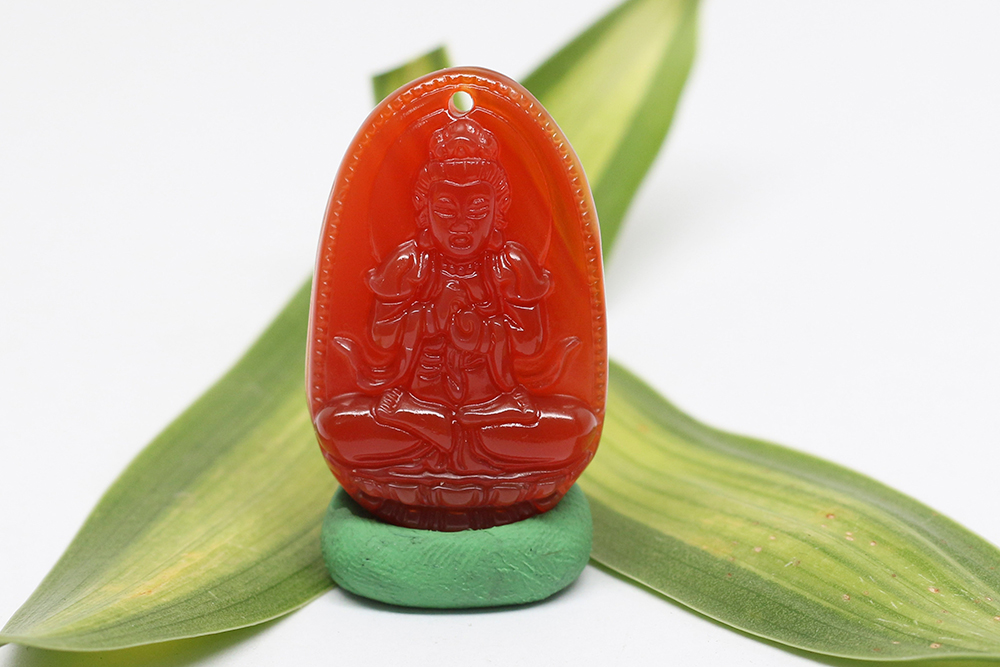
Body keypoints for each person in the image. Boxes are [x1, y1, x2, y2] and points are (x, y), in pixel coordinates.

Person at [315, 117, 597, 487]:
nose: (461, 224)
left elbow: (531, 344)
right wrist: (429, 319)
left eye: (477, 210)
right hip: (416, 404)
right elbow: (381, 339)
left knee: (578, 425)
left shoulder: (510, 264)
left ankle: (450, 434)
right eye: (446, 210)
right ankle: (444, 431)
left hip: (493, 410)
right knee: (335, 424)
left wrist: (486, 335)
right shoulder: (408, 263)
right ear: (424, 211)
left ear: (498, 211)